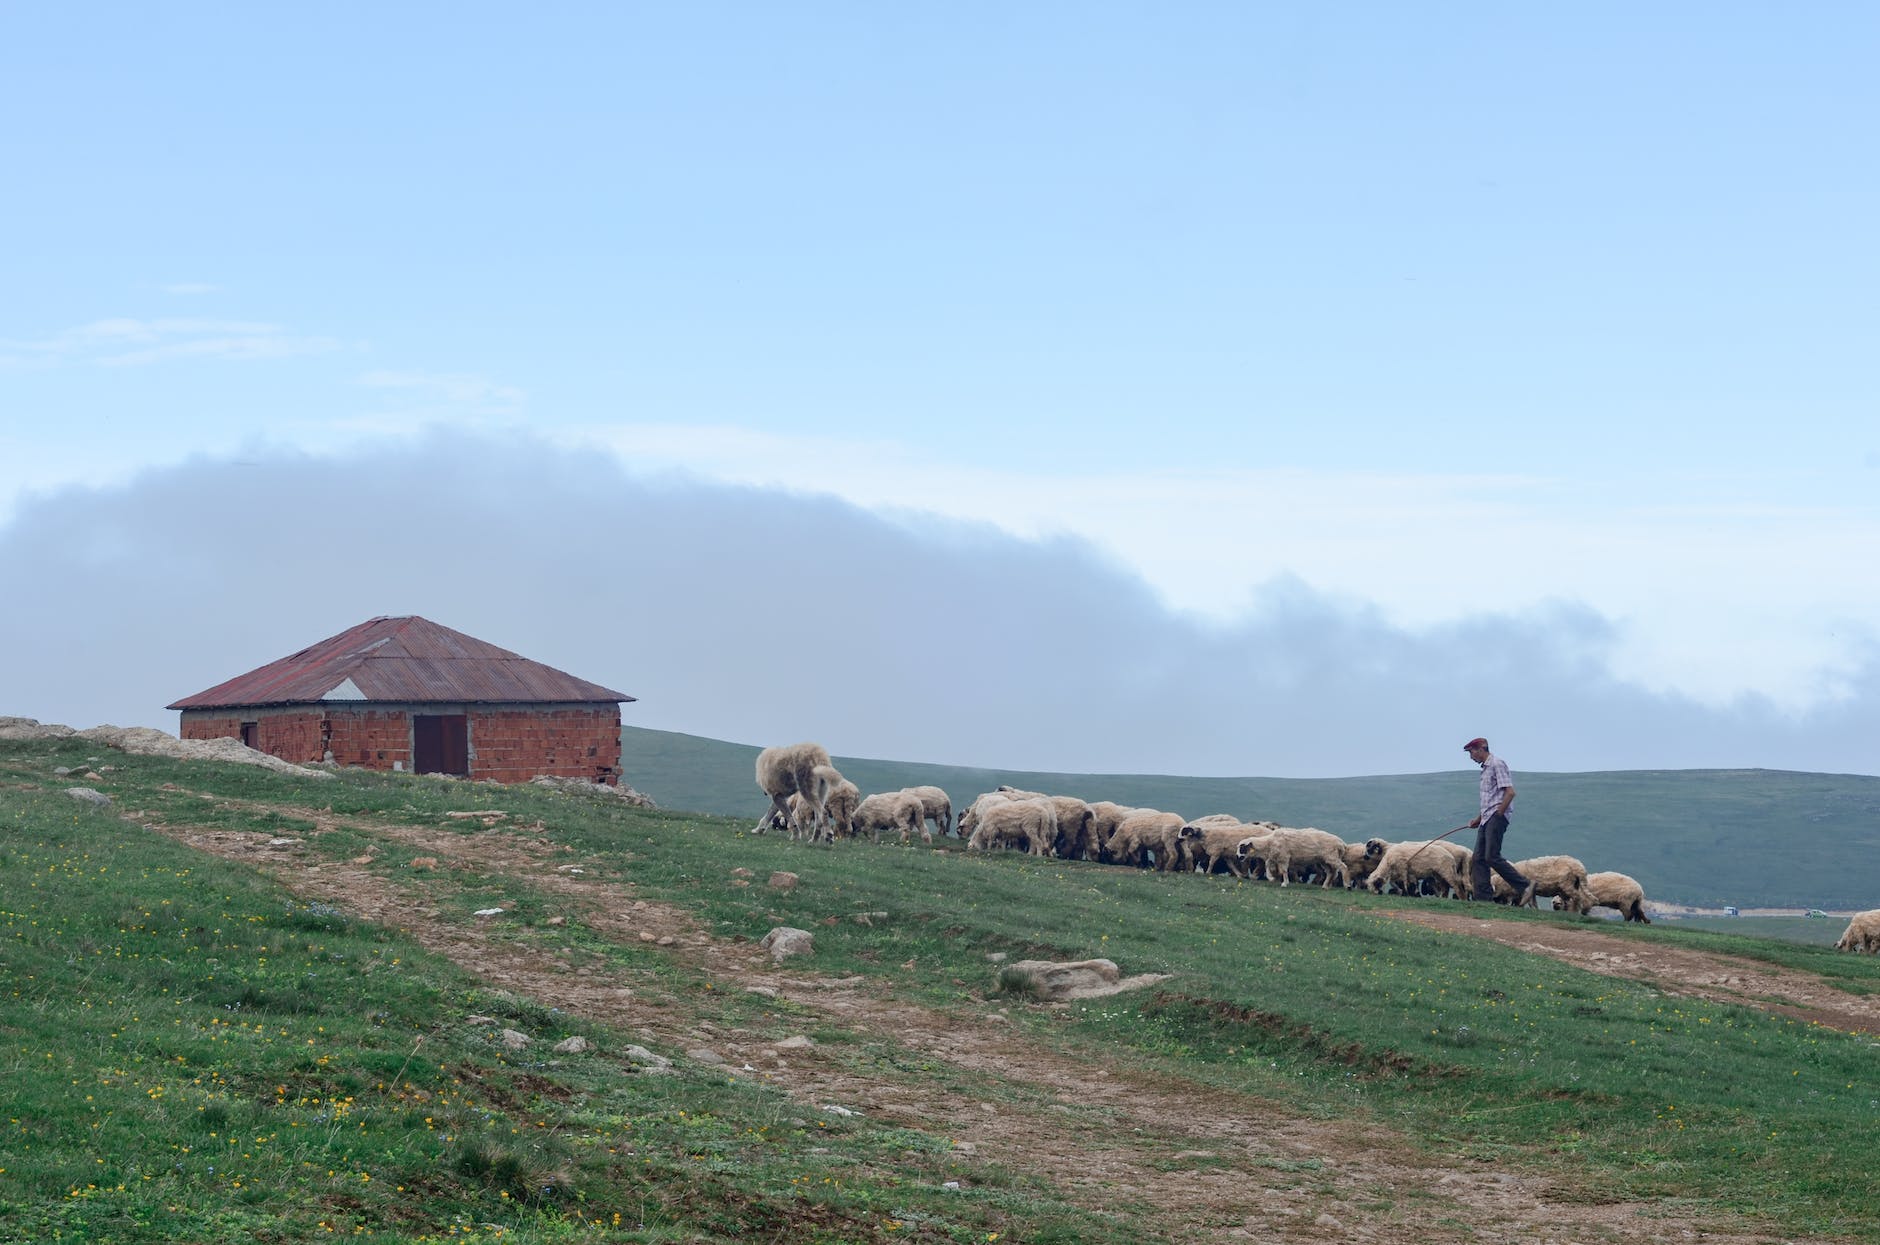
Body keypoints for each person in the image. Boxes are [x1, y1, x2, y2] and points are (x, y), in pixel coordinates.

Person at [1463, 737, 1534, 904]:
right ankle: (1483, 900)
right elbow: (1490, 799)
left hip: (1495, 817)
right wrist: (1478, 819)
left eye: (1471, 752)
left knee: (1491, 856)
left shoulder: (1497, 764)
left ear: (1481, 748)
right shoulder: (1485, 769)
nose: (1471, 756)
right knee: (1478, 858)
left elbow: (1510, 792)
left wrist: (1499, 814)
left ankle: (1526, 886)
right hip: (1486, 818)